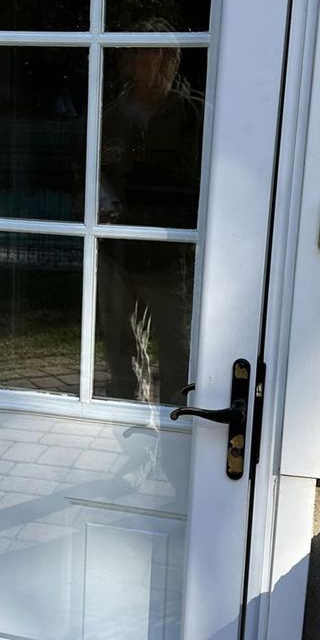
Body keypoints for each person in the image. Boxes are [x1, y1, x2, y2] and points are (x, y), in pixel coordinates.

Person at [96, 21, 204, 405]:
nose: (156, 70)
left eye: (165, 60)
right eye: (146, 59)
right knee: (121, 357)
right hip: (117, 255)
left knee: (178, 355)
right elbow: (84, 176)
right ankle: (130, 436)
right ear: (130, 63)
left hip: (170, 257)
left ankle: (179, 439)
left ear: (176, 63)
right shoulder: (106, 118)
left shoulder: (197, 117)